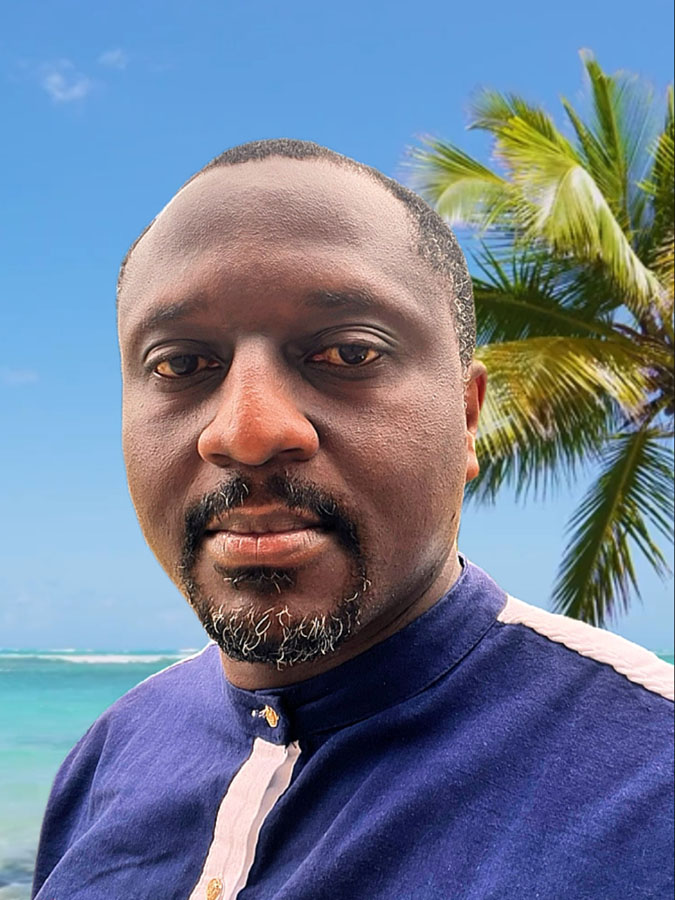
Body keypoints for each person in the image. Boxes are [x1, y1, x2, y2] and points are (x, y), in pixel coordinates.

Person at [32, 140, 673, 900]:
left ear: (466, 418)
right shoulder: (114, 749)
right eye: (179, 365)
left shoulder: (648, 784)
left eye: (346, 352)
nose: (247, 431)